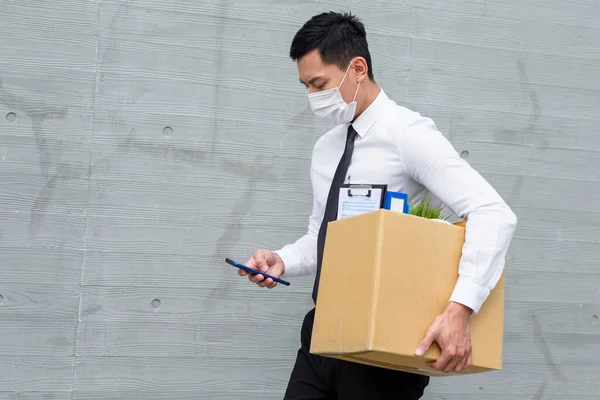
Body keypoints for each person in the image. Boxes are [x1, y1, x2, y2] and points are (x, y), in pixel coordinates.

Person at [238, 11, 517, 400]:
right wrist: (282, 260)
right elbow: (325, 237)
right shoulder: (325, 149)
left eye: (319, 84)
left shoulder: (408, 134)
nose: (313, 98)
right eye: (305, 87)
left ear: (357, 68)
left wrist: (460, 309)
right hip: (324, 332)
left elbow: (493, 213)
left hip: (383, 347)